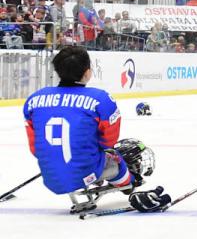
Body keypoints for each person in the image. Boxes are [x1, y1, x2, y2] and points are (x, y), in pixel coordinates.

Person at [23, 46, 162, 212]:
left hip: (50, 177)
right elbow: (108, 141)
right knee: (116, 157)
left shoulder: (34, 99)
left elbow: (34, 147)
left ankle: (84, 174)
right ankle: (127, 183)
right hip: (87, 170)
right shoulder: (100, 98)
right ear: (87, 72)